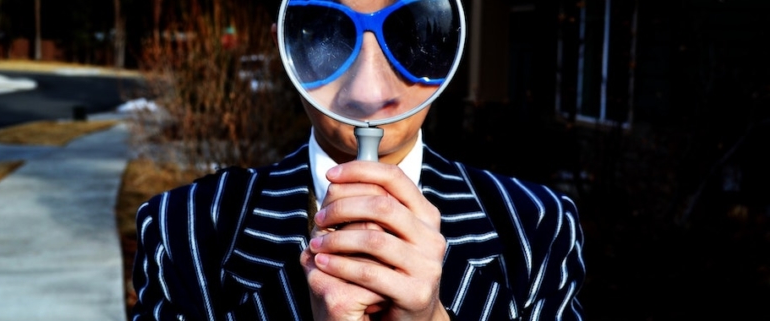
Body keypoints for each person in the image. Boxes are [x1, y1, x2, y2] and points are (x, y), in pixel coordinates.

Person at [131, 0, 586, 320]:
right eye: (327, 35)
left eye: (409, 31)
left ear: (452, 40)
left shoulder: (536, 228)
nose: (368, 94)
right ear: (284, 50)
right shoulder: (184, 230)